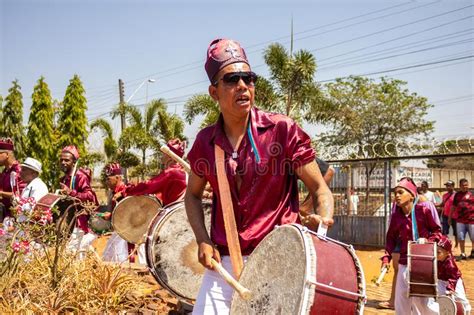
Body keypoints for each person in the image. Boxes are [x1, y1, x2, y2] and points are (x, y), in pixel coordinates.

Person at [185, 38, 334, 314]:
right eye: (231, 79)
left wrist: (323, 219)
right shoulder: (206, 142)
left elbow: (320, 189)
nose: (243, 86)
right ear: (213, 92)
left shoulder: (282, 130)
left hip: (280, 261)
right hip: (225, 263)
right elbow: (192, 195)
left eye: (248, 78)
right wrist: (202, 239)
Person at [115, 139, 188, 264]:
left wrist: (125, 191)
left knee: (159, 250)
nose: (161, 158)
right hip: (184, 214)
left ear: (170, 157)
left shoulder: (172, 172)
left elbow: (149, 186)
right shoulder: (184, 172)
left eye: (163, 155)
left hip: (171, 217)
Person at [381, 177, 441, 314]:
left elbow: (437, 232)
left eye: (400, 192)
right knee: (401, 301)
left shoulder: (423, 211)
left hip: (422, 262)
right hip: (404, 262)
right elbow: (390, 238)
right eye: (395, 193)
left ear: (412, 195)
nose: (396, 196)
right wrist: (386, 257)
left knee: (423, 303)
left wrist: (427, 241)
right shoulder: (396, 216)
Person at [59, 145, 99, 259]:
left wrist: (71, 192)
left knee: (71, 252)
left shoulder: (80, 176)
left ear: (74, 162)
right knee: (73, 251)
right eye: (61, 160)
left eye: (67, 160)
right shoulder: (63, 179)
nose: (63, 162)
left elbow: (90, 196)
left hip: (78, 221)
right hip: (67, 221)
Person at [100, 162, 131, 263]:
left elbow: (134, 195)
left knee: (119, 256)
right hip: (118, 229)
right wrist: (110, 214)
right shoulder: (113, 192)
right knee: (108, 255)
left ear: (117, 178)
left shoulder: (125, 189)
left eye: (109, 179)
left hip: (125, 230)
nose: (107, 182)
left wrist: (122, 193)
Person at [434, 235, 471, 313]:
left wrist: (450, 288)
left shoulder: (450, 264)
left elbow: (453, 278)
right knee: (440, 299)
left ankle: (466, 311)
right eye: (435, 251)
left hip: (455, 281)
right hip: (441, 280)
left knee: (460, 298)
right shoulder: (436, 259)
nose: (436, 254)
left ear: (447, 253)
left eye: (438, 252)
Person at [0, 138, 26, 223]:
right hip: (4, 214)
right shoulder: (5, 172)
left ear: (6, 154)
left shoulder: (19, 171)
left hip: (16, 217)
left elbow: (22, 196)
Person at [16, 157, 49, 222]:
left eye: (24, 170)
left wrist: (19, 206)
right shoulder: (29, 186)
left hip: (30, 227)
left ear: (34, 173)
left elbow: (35, 208)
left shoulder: (39, 186)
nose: (20, 172)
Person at [450, 178, 473, 260]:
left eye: (466, 185)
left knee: (473, 237)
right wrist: (449, 217)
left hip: (472, 220)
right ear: (459, 186)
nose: (465, 187)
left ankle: (473, 252)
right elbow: (453, 207)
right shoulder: (457, 195)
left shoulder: (472, 193)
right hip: (460, 220)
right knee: (461, 237)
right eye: (463, 185)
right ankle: (462, 253)